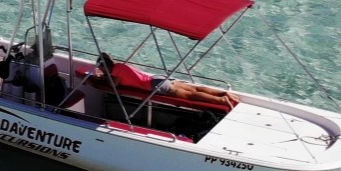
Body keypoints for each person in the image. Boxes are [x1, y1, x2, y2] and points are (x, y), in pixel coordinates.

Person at [92, 52, 237, 109]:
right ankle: (224, 93)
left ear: (104, 66)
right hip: (157, 78)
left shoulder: (115, 72)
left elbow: (113, 86)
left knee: (190, 96)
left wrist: (101, 78)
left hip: (154, 85)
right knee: (195, 88)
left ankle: (222, 101)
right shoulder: (120, 65)